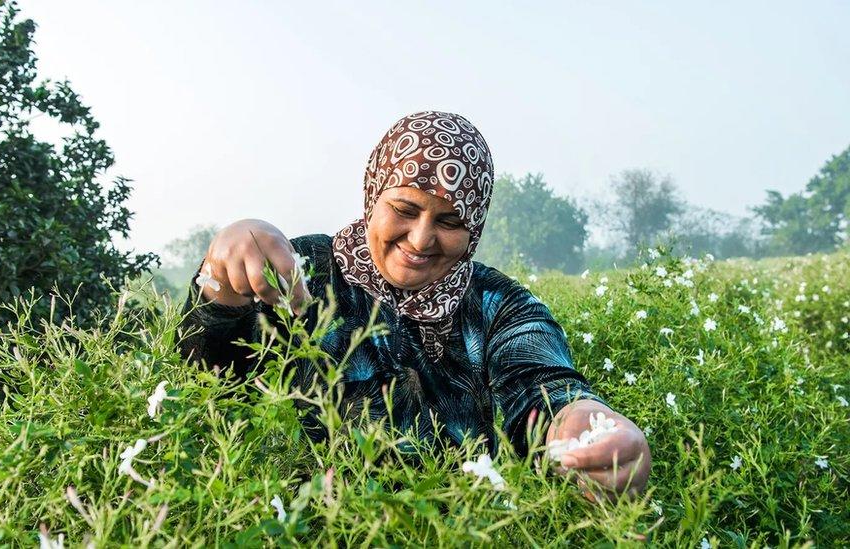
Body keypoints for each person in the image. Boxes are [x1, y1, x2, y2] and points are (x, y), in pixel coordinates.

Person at [177, 111, 650, 499]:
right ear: (372, 197)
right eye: (404, 210)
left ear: (476, 226)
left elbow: (541, 386)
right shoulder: (301, 272)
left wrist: (589, 427)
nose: (421, 239)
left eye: (449, 220)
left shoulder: (497, 305)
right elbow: (202, 374)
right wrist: (222, 283)